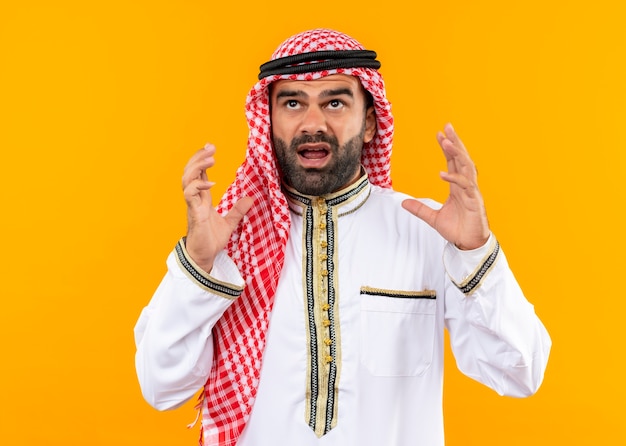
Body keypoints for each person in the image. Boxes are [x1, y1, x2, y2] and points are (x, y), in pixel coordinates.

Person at [134, 28, 551, 446]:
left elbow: (520, 372)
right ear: (269, 120)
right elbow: (161, 386)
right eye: (293, 103)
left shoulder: (427, 231)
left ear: (369, 123)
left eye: (335, 102)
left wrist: (476, 253)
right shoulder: (232, 239)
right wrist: (199, 265)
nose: (313, 123)